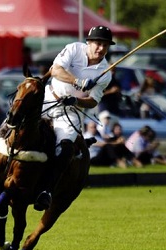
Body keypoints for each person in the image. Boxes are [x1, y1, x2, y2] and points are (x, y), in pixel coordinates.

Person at [34, 25, 116, 210]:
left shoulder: (105, 72)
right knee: (15, 125)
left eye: (105, 45)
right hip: (48, 99)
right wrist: (77, 81)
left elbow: (93, 101)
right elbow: (55, 70)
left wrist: (76, 101)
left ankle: (46, 190)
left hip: (70, 112)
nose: (100, 48)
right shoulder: (73, 49)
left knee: (65, 148)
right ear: (88, 42)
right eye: (97, 43)